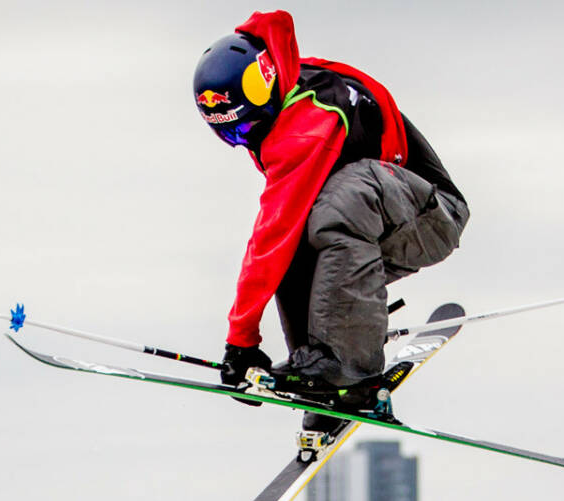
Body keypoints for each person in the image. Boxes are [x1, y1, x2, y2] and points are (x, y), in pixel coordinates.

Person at [194, 10, 468, 422]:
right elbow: (283, 243)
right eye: (232, 135)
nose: (247, 139)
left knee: (337, 203)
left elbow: (271, 234)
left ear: (265, 90)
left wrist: (241, 340)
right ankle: (322, 371)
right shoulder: (286, 88)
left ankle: (348, 368)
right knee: (305, 231)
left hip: (431, 216)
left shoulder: (307, 122)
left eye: (247, 127)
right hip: (380, 221)